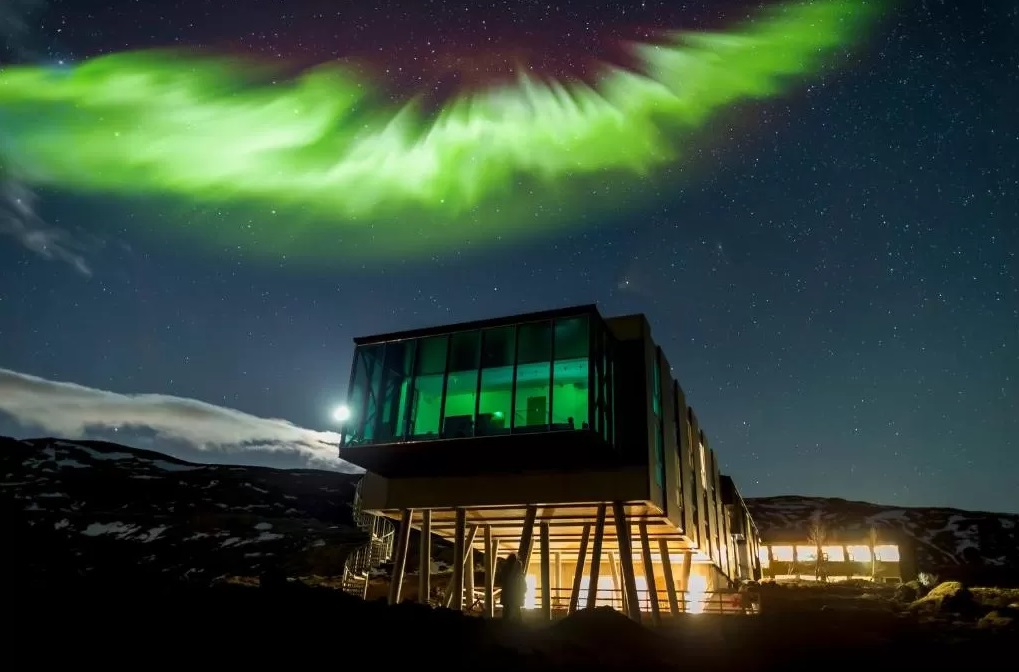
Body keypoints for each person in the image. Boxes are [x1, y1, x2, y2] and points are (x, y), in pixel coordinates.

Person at [499, 553, 527, 621]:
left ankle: (505, 625)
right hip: (516, 595)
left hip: (508, 594)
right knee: (516, 610)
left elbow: (503, 582)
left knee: (507, 610)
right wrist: (523, 590)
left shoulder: (505, 570)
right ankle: (518, 625)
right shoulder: (518, 571)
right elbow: (522, 583)